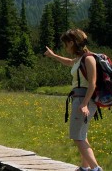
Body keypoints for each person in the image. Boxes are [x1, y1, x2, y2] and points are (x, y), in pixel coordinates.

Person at [44, 28, 103, 171]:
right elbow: (69, 62)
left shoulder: (88, 59)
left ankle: (96, 169)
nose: (65, 47)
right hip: (80, 99)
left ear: (72, 42)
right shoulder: (80, 59)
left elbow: (92, 84)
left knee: (77, 136)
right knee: (82, 134)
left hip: (84, 100)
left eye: (66, 44)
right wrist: (53, 56)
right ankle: (85, 167)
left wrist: (84, 104)